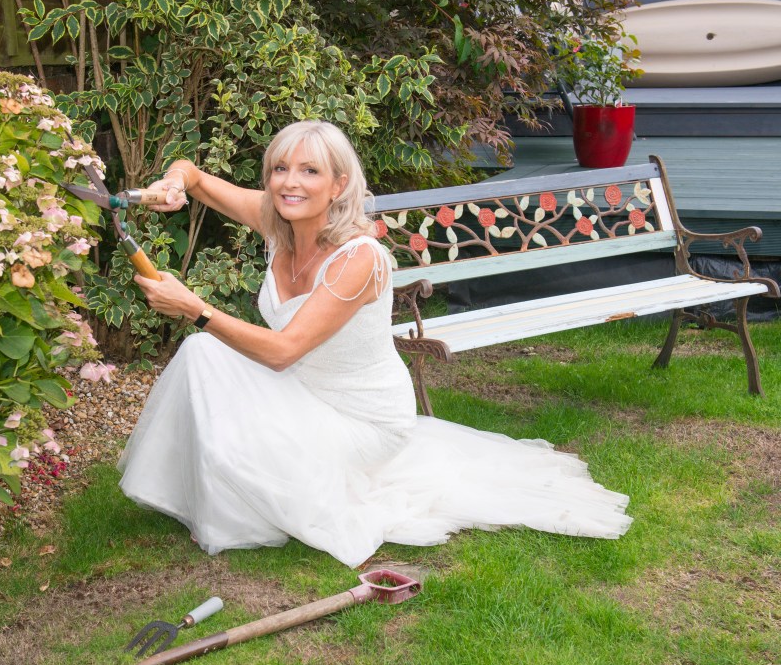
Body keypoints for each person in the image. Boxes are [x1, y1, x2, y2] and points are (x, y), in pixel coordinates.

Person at [118, 120, 631, 568]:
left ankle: (236, 512)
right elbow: (197, 175)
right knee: (202, 355)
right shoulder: (280, 219)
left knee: (205, 343)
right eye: (280, 168)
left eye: (309, 171)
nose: (290, 182)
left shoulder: (357, 258)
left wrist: (196, 309)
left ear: (339, 184)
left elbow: (283, 350)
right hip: (302, 390)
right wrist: (173, 183)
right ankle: (208, 496)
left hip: (363, 419)